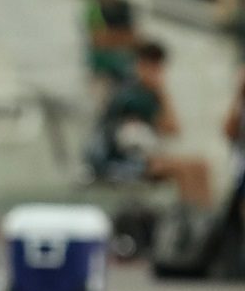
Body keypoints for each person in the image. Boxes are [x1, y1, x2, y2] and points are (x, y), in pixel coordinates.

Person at [89, 41, 212, 208]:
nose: (157, 73)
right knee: (184, 169)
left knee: (200, 166)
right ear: (140, 65)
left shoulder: (145, 93)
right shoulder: (131, 95)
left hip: (136, 157)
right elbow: (169, 128)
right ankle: (190, 217)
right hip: (117, 162)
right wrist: (162, 92)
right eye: (152, 67)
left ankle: (202, 215)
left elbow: (172, 129)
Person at [84, 0, 137, 92]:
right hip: (102, 72)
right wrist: (122, 38)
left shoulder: (124, 7)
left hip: (123, 70)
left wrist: (112, 37)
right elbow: (98, 39)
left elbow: (134, 38)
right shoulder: (93, 5)